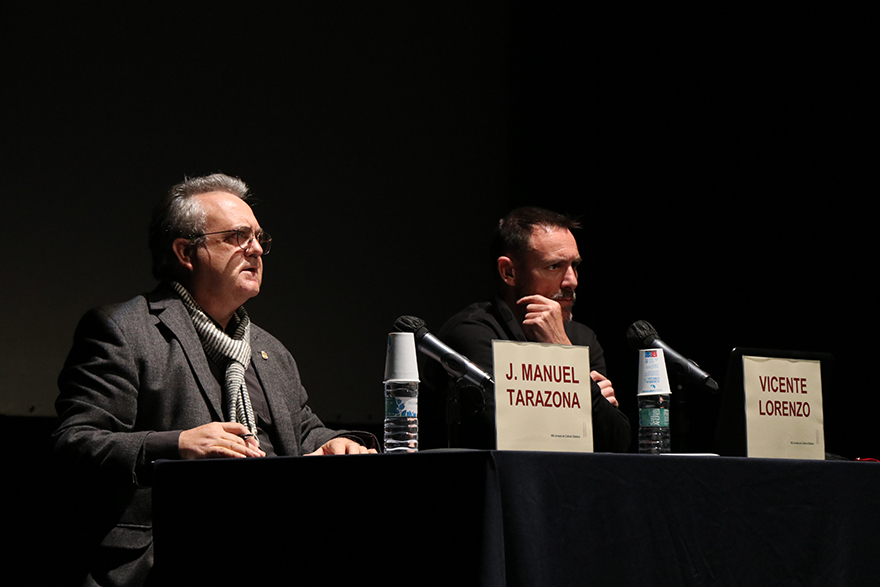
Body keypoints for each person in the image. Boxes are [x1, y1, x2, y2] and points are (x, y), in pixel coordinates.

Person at [51, 173, 377, 587]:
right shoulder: (124, 329)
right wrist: (178, 444)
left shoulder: (269, 350)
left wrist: (334, 443)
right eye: (238, 236)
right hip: (163, 564)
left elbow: (305, 430)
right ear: (187, 252)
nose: (256, 249)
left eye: (259, 237)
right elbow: (73, 443)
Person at [425, 206, 630, 452]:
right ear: (509, 272)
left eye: (574, 265)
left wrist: (561, 347)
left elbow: (617, 443)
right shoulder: (472, 332)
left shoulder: (579, 337)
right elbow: (506, 434)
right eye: (554, 266)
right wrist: (582, 387)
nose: (572, 280)